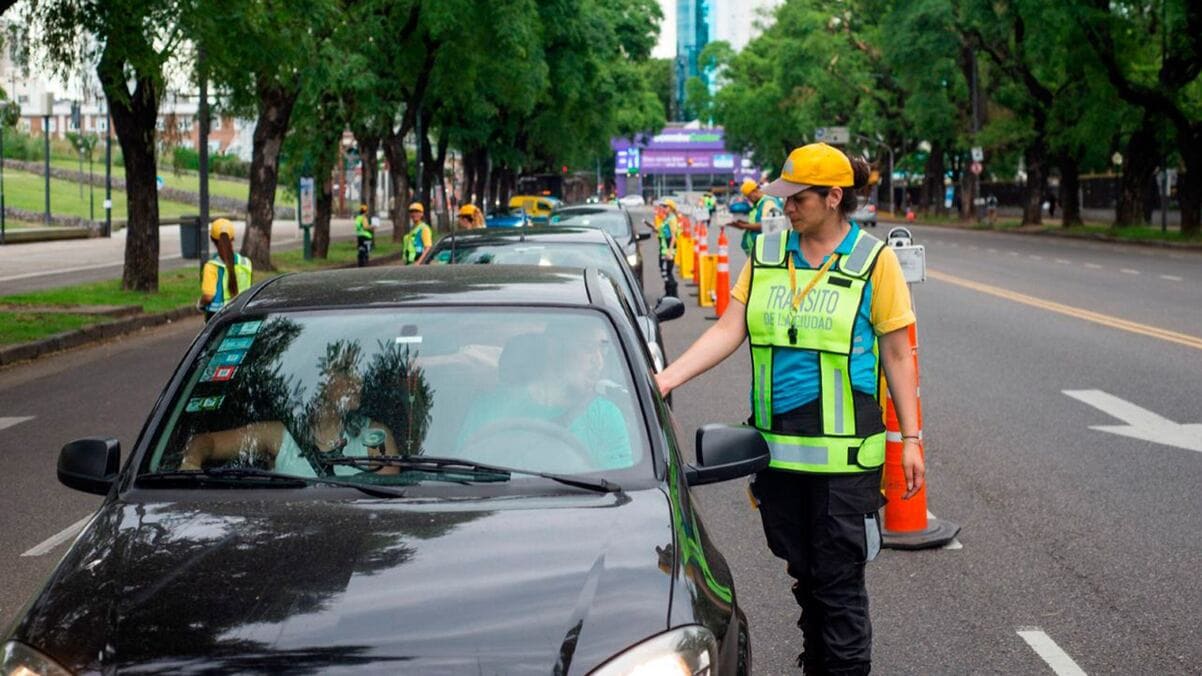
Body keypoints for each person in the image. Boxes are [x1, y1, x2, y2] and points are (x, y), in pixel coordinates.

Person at [655, 142, 925, 676]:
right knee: (805, 576)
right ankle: (818, 663)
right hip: (778, 456)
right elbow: (732, 327)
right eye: (783, 197)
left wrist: (912, 440)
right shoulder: (769, 255)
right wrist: (666, 378)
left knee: (839, 583)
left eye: (797, 198)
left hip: (845, 464)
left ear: (833, 197)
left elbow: (897, 352)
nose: (786, 207)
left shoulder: (875, 262)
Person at [179, 343, 400, 476]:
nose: (357, 381)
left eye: (357, 372)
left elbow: (388, 505)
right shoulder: (277, 435)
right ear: (319, 382)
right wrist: (191, 462)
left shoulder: (376, 438)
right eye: (345, 372)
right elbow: (205, 442)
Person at [458, 325, 632, 471]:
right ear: (555, 351)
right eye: (586, 348)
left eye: (603, 349)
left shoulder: (605, 416)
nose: (598, 361)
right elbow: (462, 473)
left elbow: (620, 490)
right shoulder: (488, 406)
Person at [199, 218, 253, 322]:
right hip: (241, 311)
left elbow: (208, 296)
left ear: (212, 239)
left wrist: (200, 303)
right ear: (232, 238)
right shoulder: (246, 263)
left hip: (216, 316)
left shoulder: (211, 266)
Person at [728, 178, 782, 255]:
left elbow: (768, 225)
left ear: (754, 191)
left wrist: (744, 226)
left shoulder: (768, 203)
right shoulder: (758, 204)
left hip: (764, 250)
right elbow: (757, 222)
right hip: (756, 251)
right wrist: (743, 224)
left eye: (749, 197)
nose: (749, 200)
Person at [658, 199, 680, 297]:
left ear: (671, 208)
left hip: (667, 250)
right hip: (663, 249)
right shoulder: (667, 218)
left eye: (666, 206)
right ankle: (669, 293)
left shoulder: (672, 219)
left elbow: (673, 236)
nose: (663, 208)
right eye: (663, 206)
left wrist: (669, 252)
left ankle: (672, 294)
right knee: (665, 271)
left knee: (667, 272)